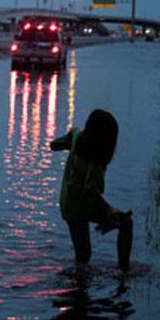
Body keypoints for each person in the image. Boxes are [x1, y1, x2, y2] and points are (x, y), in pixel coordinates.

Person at [51, 109, 132, 270]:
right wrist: (109, 210)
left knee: (83, 254)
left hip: (68, 204)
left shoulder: (78, 138)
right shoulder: (97, 160)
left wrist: (68, 144)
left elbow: (54, 145)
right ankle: (124, 269)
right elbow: (91, 190)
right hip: (82, 204)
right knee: (126, 223)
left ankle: (77, 282)